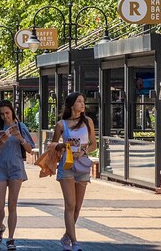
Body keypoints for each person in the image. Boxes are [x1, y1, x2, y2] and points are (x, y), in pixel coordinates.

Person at [0, 100, 35, 250]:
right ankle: (0, 226)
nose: (5, 116)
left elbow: (30, 149)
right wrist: (0, 142)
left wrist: (20, 138)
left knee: (12, 205)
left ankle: (11, 238)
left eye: (7, 113)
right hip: (0, 167)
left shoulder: (20, 127)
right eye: (2, 114)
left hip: (16, 168)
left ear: (12, 112)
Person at [51, 92, 97, 251]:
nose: (82, 105)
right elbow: (53, 145)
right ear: (72, 105)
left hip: (83, 164)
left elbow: (93, 144)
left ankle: (66, 237)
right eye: (79, 101)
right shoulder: (61, 125)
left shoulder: (88, 122)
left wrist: (83, 152)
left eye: (83, 102)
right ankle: (75, 242)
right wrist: (64, 146)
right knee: (70, 204)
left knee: (77, 206)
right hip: (67, 165)